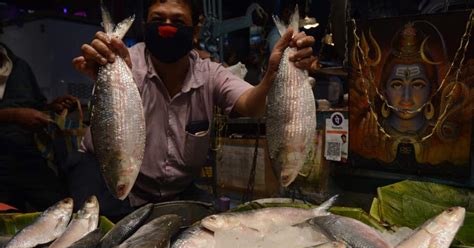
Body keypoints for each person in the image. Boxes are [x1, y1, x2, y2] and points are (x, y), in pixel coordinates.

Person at [71, 0, 316, 219]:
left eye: (178, 21)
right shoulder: (125, 64)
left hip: (175, 189)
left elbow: (250, 105)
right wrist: (103, 69)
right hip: (108, 175)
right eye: (158, 20)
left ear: (195, 30)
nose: (167, 27)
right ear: (145, 26)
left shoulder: (210, 74)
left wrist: (273, 74)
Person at [350, 21, 471, 170]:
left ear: (432, 89)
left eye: (417, 84)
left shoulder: (447, 139)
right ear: (383, 90)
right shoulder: (366, 132)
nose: (406, 97)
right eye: (397, 84)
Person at [0, 42, 77, 211]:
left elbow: (34, 104)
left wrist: (52, 108)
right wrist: (14, 116)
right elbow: (19, 113)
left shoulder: (20, 67)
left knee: (64, 210)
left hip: (26, 158)